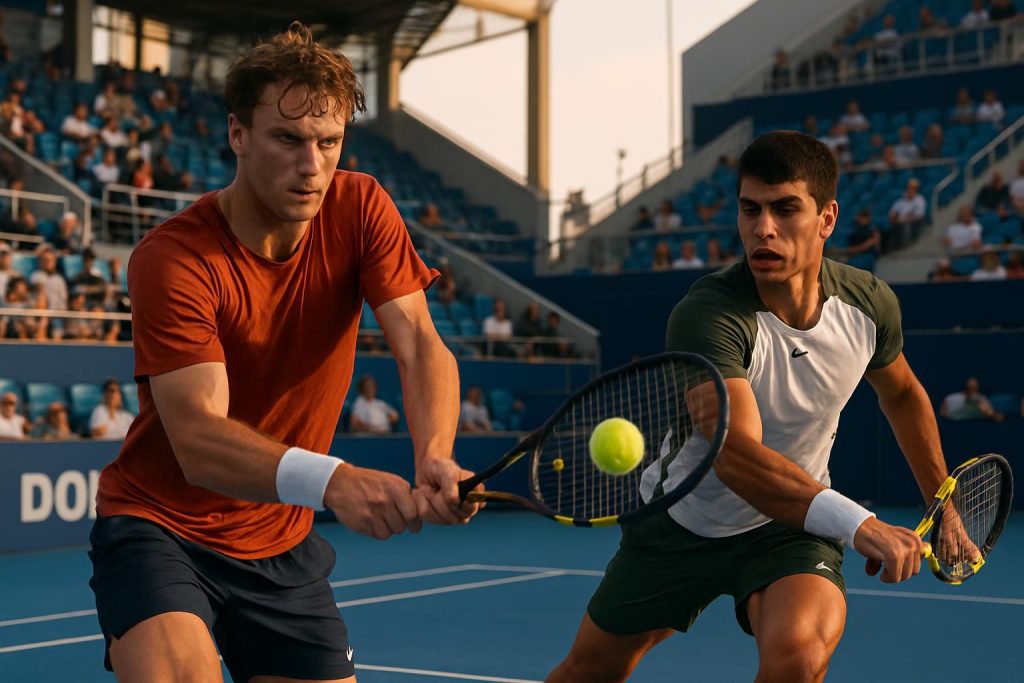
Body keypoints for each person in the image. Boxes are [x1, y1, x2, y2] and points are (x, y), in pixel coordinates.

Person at [87, 23, 481, 683]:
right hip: (161, 527)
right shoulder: (174, 257)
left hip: (280, 543)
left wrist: (434, 451)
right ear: (237, 134)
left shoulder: (361, 208)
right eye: (288, 139)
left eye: (329, 143)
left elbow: (419, 341)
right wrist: (332, 479)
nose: (312, 166)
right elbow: (197, 438)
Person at [548, 132, 953, 683]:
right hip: (682, 521)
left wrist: (943, 502)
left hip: (790, 528)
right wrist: (858, 523)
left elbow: (903, 394)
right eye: (750, 209)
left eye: (786, 209)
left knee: (799, 656)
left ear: (826, 219)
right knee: (588, 673)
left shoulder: (868, 304)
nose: (763, 228)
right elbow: (737, 456)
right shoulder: (709, 314)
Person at [888, 178, 926, 249]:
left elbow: (920, 215)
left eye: (913, 188)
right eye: (909, 187)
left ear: (916, 189)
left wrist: (905, 219)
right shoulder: (901, 200)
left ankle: (905, 244)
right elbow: (892, 213)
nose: (910, 190)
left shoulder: (919, 199)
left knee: (904, 225)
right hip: (898, 221)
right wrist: (895, 218)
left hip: (911, 222)